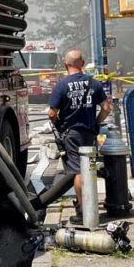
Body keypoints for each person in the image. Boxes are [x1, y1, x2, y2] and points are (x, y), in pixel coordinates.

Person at [47, 49, 111, 223]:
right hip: (89, 132)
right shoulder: (94, 84)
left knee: (77, 171)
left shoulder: (61, 85)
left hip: (71, 133)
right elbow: (106, 108)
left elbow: (52, 113)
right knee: (88, 167)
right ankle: (90, 205)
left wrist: (60, 126)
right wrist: (97, 123)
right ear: (82, 64)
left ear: (65, 64)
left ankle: (84, 210)